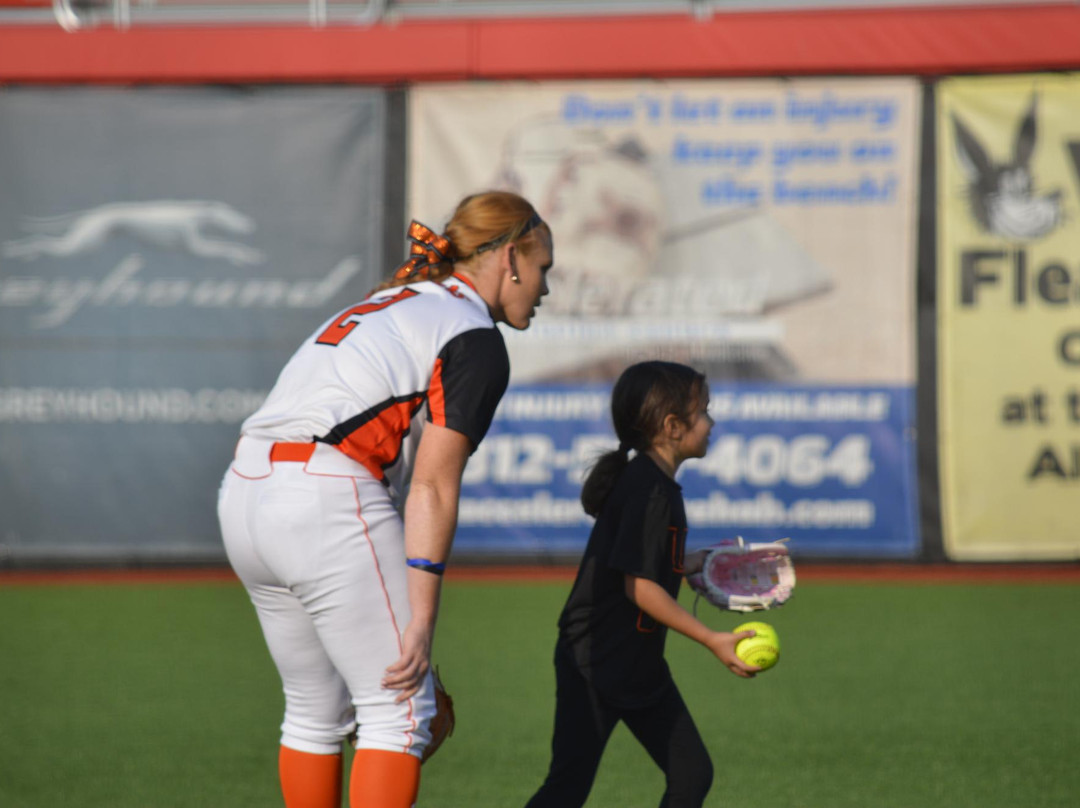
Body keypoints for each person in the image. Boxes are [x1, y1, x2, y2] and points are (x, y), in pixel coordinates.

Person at [218, 191, 552, 808]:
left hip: (245, 488)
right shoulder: (474, 334)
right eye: (542, 269)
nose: (545, 287)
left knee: (315, 713)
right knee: (399, 713)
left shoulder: (389, 302)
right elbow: (431, 485)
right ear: (510, 257)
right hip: (323, 492)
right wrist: (421, 622)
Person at [524, 360, 759, 808]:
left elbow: (641, 565)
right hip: (593, 662)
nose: (711, 422)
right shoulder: (649, 490)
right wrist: (713, 639)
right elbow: (640, 588)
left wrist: (692, 564)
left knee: (692, 775)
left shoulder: (654, 485)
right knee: (567, 788)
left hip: (636, 663)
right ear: (673, 426)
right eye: (704, 411)